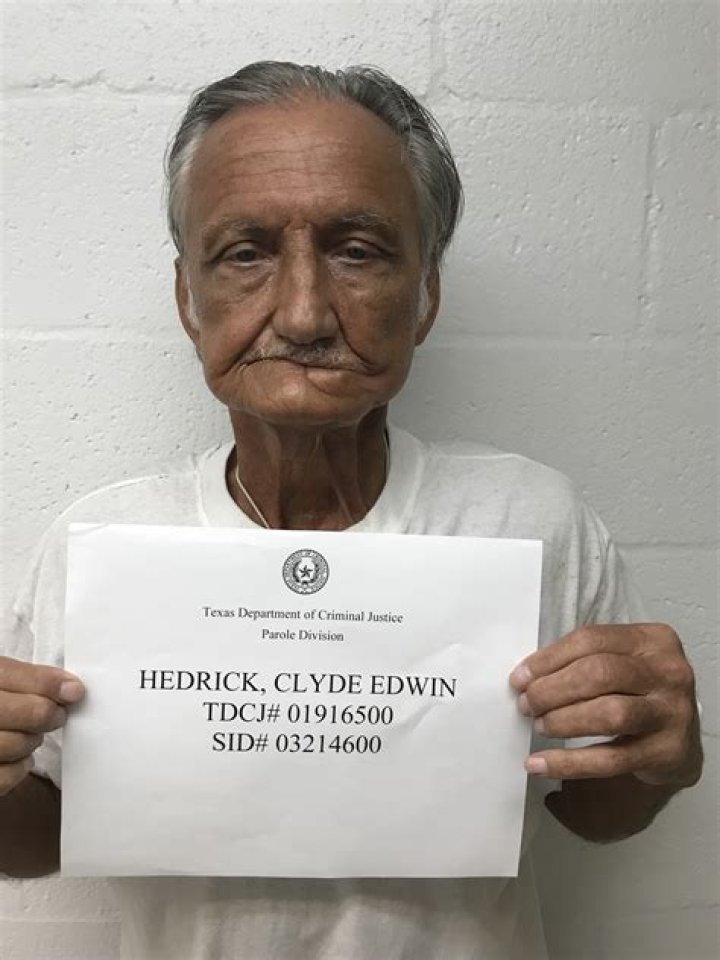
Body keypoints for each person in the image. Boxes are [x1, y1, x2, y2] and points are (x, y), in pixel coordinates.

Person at [0, 62, 703, 959]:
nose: (303, 314)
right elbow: (45, 834)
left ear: (426, 294)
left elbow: (592, 811)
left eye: (357, 251)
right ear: (187, 298)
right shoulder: (98, 545)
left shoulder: (533, 524)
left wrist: (658, 763)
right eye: (245, 253)